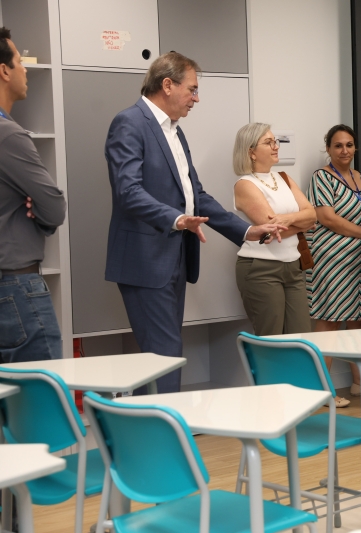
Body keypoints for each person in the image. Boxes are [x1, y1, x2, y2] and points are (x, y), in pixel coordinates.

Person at [105, 52, 284, 394]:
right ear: (167, 85)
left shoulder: (175, 132)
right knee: (164, 353)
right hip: (145, 258)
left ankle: (152, 434)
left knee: (162, 356)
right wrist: (175, 219)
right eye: (192, 89)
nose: (196, 99)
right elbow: (127, 191)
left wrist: (245, 230)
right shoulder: (129, 122)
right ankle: (163, 437)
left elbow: (195, 196)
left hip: (175, 257)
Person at [0, 27, 66, 363]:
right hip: (15, 288)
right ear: (4, 70)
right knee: (39, 404)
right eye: (19, 60)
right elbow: (54, 208)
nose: (25, 68)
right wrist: (41, 214)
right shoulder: (9, 136)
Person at [306, 124, 361, 407]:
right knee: (329, 319)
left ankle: (359, 382)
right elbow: (328, 218)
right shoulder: (321, 178)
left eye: (349, 145)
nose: (345, 150)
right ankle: (322, 390)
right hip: (332, 260)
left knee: (358, 320)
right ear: (328, 148)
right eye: (338, 145)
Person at [233, 123, 316, 337]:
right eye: (268, 142)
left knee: (301, 338)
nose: (275, 146)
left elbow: (313, 215)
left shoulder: (284, 178)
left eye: (275, 141)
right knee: (272, 340)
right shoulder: (245, 184)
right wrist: (300, 222)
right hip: (261, 269)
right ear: (251, 152)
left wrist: (288, 219)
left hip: (293, 267)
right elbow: (271, 231)